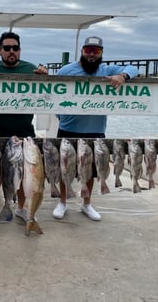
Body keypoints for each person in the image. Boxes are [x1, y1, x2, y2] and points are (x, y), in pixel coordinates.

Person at [53, 36, 139, 221]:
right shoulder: (67, 70)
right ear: (82, 51)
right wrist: (61, 116)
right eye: (88, 50)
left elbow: (134, 68)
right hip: (69, 130)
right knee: (64, 168)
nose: (91, 55)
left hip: (96, 130)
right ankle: (62, 202)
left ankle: (86, 203)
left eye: (96, 51)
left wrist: (122, 76)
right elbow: (52, 94)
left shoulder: (107, 70)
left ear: (101, 53)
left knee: (90, 170)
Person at [0, 31, 48, 222]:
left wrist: (44, 76)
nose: (11, 51)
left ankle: (22, 208)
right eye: (7, 48)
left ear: (20, 50)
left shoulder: (31, 70)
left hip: (23, 131)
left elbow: (50, 90)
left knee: (25, 174)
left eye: (15, 48)